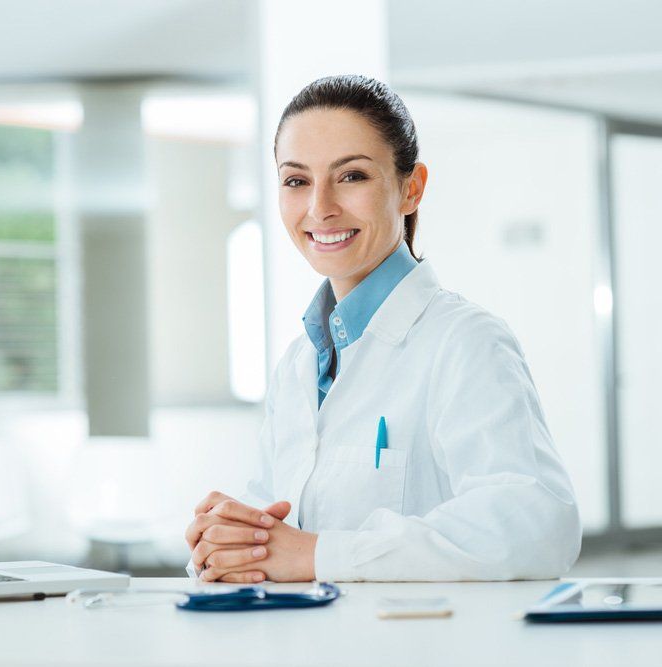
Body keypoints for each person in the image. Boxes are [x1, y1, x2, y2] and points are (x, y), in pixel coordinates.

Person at [185, 74, 581, 583]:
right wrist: (226, 544)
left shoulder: (464, 341)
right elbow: (276, 528)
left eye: (351, 176)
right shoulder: (299, 365)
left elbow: (536, 524)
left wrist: (317, 556)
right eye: (296, 180)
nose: (319, 207)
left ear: (410, 189)